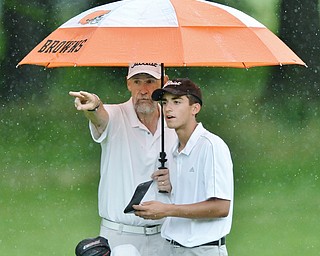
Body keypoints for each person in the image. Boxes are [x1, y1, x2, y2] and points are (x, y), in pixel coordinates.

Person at [69, 63, 177, 256]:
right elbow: (100, 117)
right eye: (137, 82)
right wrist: (93, 106)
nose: (143, 90)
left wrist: (174, 180)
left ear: (165, 83)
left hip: (166, 237)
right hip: (120, 236)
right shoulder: (115, 115)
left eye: (150, 82)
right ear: (128, 84)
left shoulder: (175, 123)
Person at [133, 78, 234, 256]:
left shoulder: (211, 146)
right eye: (165, 103)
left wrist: (166, 210)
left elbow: (221, 207)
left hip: (203, 249)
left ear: (195, 108)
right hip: (171, 248)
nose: (168, 109)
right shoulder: (173, 151)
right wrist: (172, 189)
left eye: (177, 102)